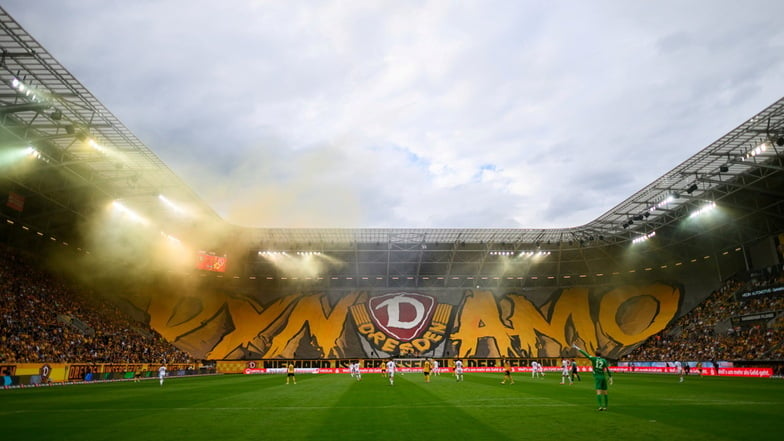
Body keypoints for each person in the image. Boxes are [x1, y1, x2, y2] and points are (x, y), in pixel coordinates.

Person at [573, 345, 613, 411]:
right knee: (605, 392)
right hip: (603, 377)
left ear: (595, 354)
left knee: (598, 391)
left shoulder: (594, 359)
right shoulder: (604, 360)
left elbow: (586, 355)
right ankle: (606, 407)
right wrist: (610, 377)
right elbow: (607, 369)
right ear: (601, 354)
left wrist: (578, 348)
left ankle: (600, 406)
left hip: (598, 377)